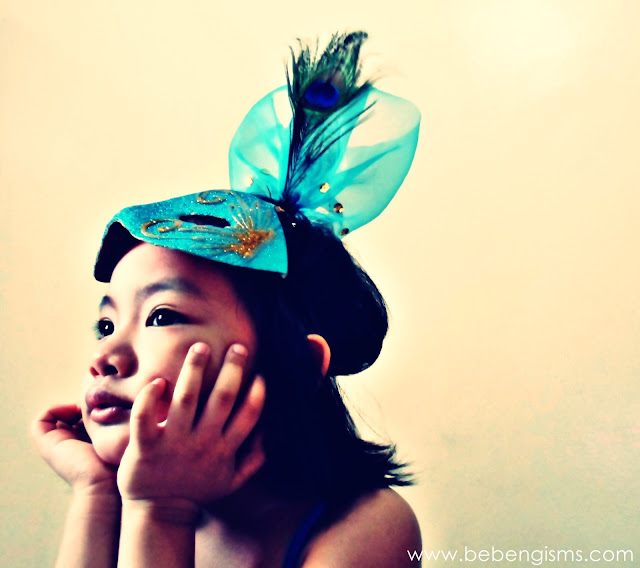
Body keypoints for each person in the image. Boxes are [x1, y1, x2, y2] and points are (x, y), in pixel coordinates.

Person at [31, 31, 422, 567]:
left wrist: (162, 510)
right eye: (106, 325)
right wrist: (95, 492)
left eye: (161, 316)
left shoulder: (370, 526)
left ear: (295, 364)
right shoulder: (122, 498)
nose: (106, 357)